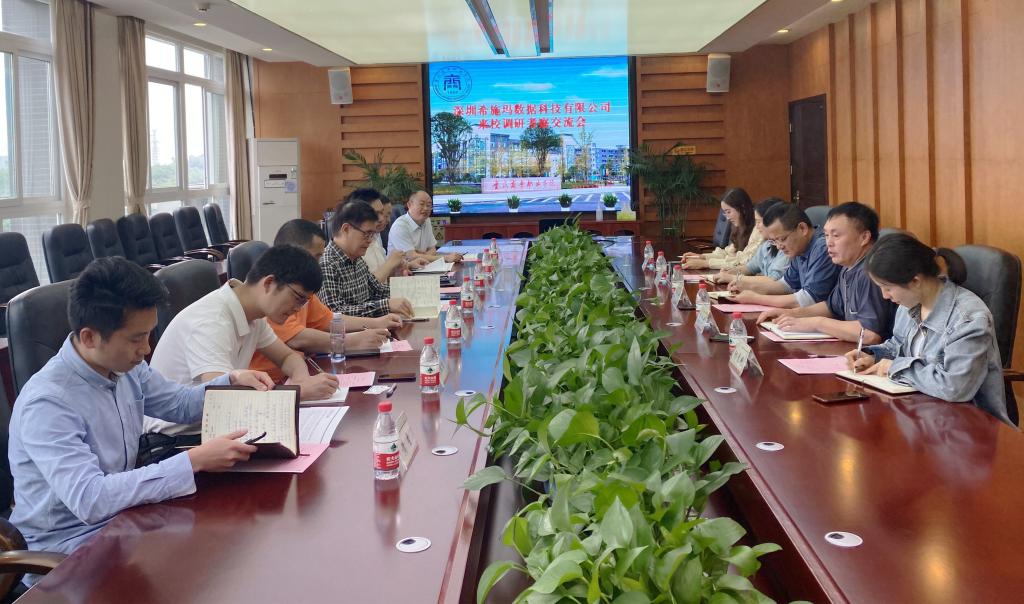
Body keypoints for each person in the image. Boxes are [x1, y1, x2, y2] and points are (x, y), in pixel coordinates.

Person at [7, 257, 272, 581]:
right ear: (89, 338)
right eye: (136, 339)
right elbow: (90, 499)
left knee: (228, 549)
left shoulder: (123, 367)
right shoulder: (48, 403)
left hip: (123, 522)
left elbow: (179, 404)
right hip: (66, 551)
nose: (146, 349)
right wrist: (192, 461)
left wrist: (230, 381)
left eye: (149, 335)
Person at [146, 245, 340, 435]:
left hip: (219, 426)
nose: (299, 308)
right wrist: (298, 392)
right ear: (269, 283)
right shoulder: (211, 321)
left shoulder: (254, 315)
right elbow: (222, 401)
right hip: (176, 438)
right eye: (298, 298)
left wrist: (301, 380)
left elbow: (288, 357)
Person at [844, 233, 1012, 425]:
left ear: (915, 281)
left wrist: (895, 367)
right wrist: (873, 356)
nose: (884, 296)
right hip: (920, 414)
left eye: (887, 287)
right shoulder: (908, 304)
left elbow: (955, 387)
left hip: (967, 425)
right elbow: (898, 345)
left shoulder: (968, 317)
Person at [249, 218, 399, 381]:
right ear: (292, 253)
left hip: (295, 376)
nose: (318, 265)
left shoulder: (300, 289)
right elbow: (297, 338)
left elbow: (329, 320)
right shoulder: (274, 292)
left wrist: (376, 323)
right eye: (316, 257)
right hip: (271, 383)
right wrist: (352, 341)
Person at [757, 202, 897, 343]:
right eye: (826, 235)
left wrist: (817, 323)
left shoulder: (870, 272)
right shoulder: (847, 267)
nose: (829, 243)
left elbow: (869, 334)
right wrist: (791, 314)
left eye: (836, 235)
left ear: (864, 237)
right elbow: (831, 308)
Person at [728, 202, 841, 308]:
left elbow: (809, 299)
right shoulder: (800, 248)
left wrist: (756, 298)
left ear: (802, 229)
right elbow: (786, 285)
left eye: (782, 239)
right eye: (774, 241)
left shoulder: (823, 247)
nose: (778, 247)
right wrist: (749, 286)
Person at [319, 199, 415, 317]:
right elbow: (334, 314)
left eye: (372, 235)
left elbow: (378, 290)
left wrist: (414, 290)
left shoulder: (357, 259)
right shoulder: (327, 264)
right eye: (366, 234)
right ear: (346, 229)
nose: (370, 240)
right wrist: (386, 305)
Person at [352, 189, 428, 282]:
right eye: (378, 213)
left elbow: (383, 275)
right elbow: (369, 285)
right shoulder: (354, 247)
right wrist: (391, 264)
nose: (383, 219)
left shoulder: (376, 237)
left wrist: (406, 266)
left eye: (383, 213)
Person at [712, 197, 790, 284]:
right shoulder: (767, 245)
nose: (757, 227)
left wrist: (733, 278)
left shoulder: (786, 248)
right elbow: (749, 268)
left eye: (759, 222)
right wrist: (729, 273)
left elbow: (774, 279)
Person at [681, 188, 760, 270]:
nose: (727, 218)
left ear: (742, 208)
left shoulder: (759, 229)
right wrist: (701, 257)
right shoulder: (741, 226)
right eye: (725, 213)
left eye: (729, 212)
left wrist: (706, 263)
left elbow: (744, 263)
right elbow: (728, 253)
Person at [387, 190, 463, 262]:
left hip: (421, 266)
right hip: (401, 270)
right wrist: (445, 258)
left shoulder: (427, 220)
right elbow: (411, 257)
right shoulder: (400, 226)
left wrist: (420, 256)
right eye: (422, 204)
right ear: (409, 205)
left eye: (429, 205)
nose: (426, 208)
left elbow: (433, 249)